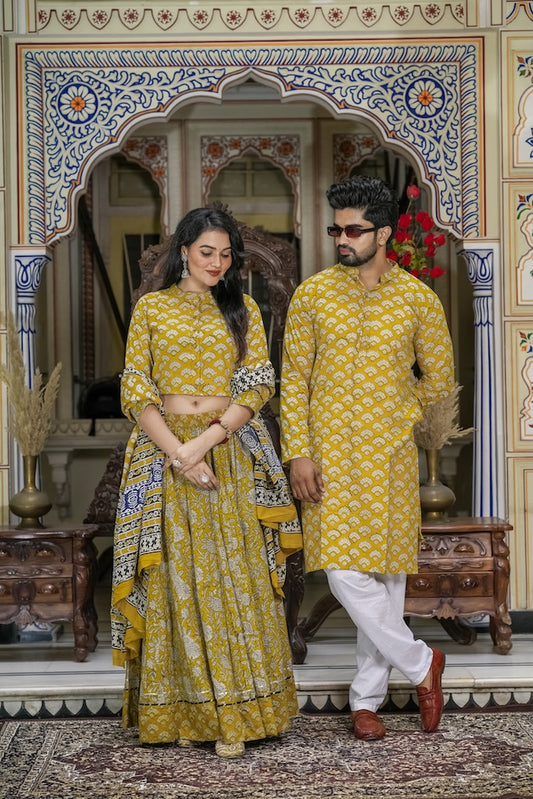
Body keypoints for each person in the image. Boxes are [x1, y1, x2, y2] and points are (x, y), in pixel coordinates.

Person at [111, 206, 301, 758]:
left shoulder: (243, 309)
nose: (217, 263)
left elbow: (257, 385)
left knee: (232, 577)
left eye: (225, 254)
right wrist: (178, 453)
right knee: (175, 579)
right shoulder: (151, 309)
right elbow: (135, 389)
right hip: (163, 455)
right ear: (184, 252)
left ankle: (239, 712)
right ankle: (181, 711)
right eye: (206, 252)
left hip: (229, 454)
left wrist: (203, 445)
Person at [280, 175, 455, 741]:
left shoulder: (418, 300)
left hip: (389, 460)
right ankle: (423, 663)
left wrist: (400, 416)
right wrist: (298, 452)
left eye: (353, 230)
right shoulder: (313, 296)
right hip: (327, 459)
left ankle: (366, 701)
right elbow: (294, 380)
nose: (342, 239)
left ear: (383, 233)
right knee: (343, 571)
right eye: (336, 229)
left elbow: (440, 379)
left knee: (385, 578)